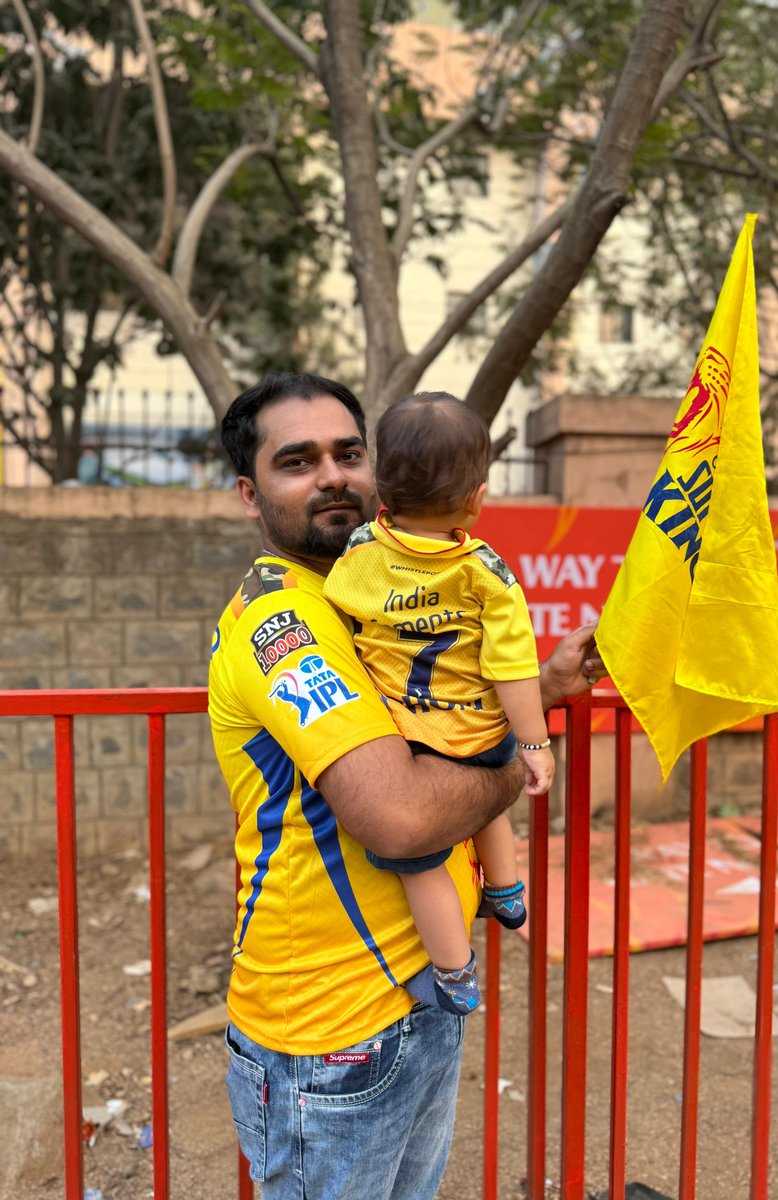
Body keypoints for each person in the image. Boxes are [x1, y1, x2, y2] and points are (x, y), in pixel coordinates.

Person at [209, 370, 603, 1200]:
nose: (333, 477)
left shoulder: (373, 590)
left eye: (348, 453)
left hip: (417, 1002)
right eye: (298, 461)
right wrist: (512, 755)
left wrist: (546, 687)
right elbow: (402, 818)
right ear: (251, 494)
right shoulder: (286, 621)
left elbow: (442, 700)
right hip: (332, 1036)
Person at [323, 391, 553, 1017]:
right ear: (479, 498)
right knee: (485, 795)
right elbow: (514, 668)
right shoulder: (488, 574)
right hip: (480, 729)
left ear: (380, 489)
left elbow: (337, 610)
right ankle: (505, 891)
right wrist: (533, 744)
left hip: (411, 738)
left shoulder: (362, 552)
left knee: (418, 862)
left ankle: (454, 973)